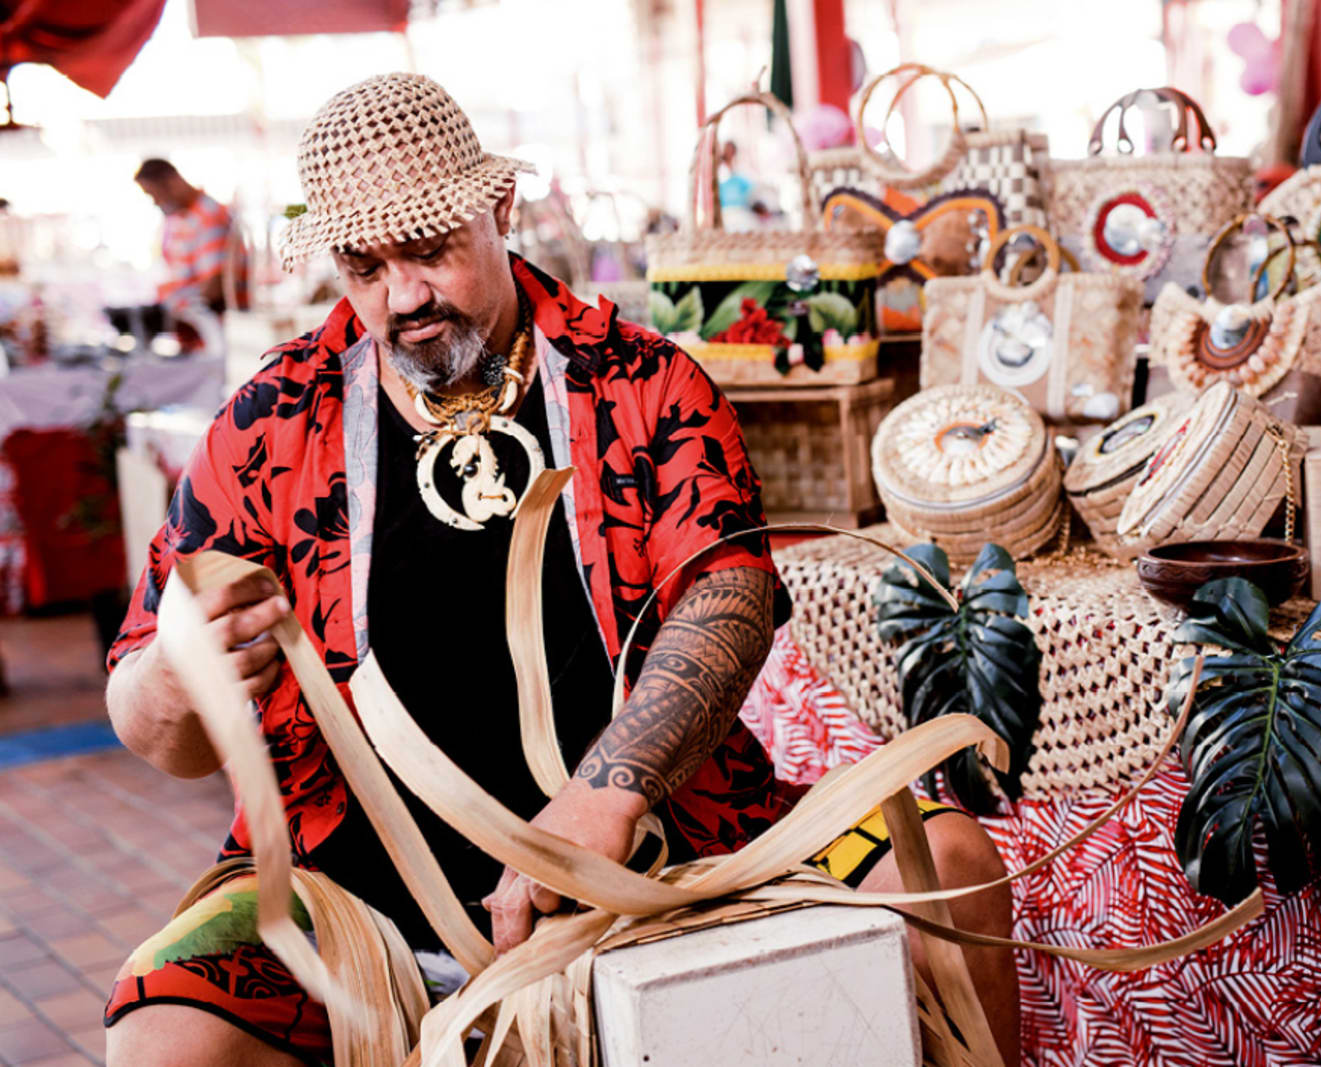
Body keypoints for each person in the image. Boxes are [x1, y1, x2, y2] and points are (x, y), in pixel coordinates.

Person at [102, 73, 1020, 1067]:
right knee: (167, 1040)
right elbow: (153, 720)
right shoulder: (269, 420)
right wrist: (175, 676)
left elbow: (730, 591)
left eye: (429, 249)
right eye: (364, 266)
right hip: (348, 881)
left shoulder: (640, 378)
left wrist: (609, 794)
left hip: (671, 842)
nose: (403, 296)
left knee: (953, 870)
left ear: (497, 208)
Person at [134, 158, 247, 319]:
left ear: (172, 181)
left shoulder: (208, 215)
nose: (155, 202)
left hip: (216, 327)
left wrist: (174, 304)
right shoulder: (182, 218)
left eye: (154, 194)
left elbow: (214, 287)